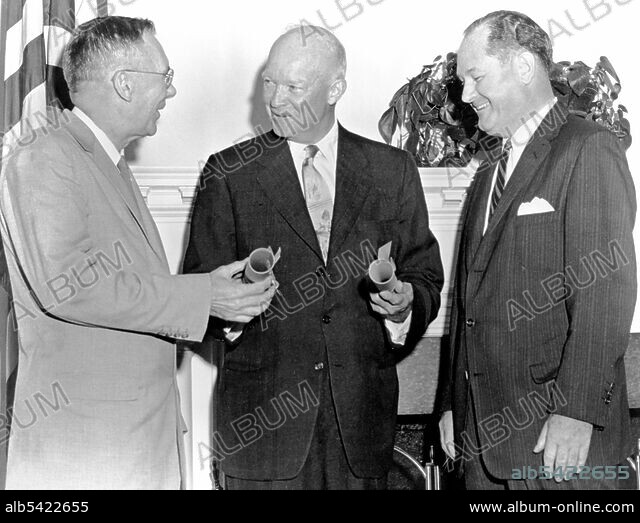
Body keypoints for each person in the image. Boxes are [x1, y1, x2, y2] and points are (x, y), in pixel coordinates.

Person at [0, 16, 276, 490]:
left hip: (133, 444)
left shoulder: (106, 163)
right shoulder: (45, 156)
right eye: (165, 77)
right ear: (124, 83)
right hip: (87, 452)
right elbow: (70, 287)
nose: (171, 92)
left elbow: (132, 301)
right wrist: (203, 296)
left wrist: (219, 302)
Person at [183, 25, 444, 490]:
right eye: (269, 82)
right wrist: (232, 313)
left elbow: (424, 276)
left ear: (336, 88)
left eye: (293, 87)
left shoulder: (393, 170)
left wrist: (404, 308)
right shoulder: (227, 173)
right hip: (263, 437)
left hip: (361, 437)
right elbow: (195, 298)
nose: (275, 99)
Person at [439, 10, 637, 490]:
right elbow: (468, 303)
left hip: (559, 447)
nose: (464, 95)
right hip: (482, 449)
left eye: (476, 77)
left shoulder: (588, 147)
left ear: (524, 67)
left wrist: (576, 411)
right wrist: (451, 403)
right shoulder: (488, 175)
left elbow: (604, 294)